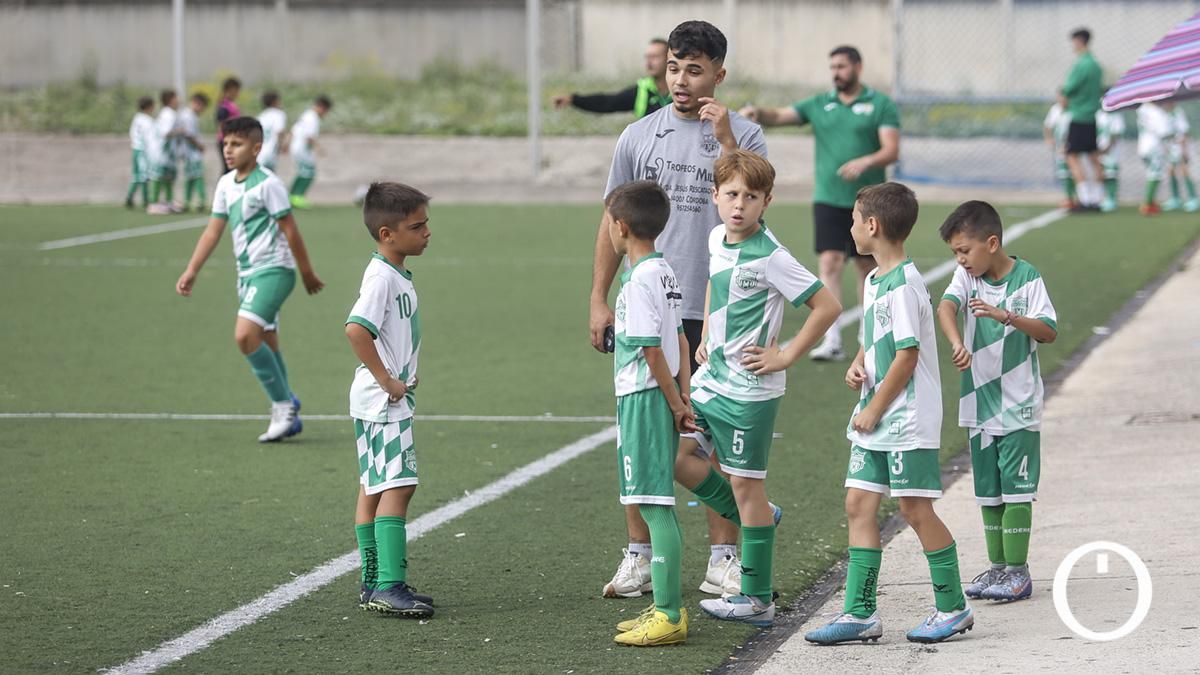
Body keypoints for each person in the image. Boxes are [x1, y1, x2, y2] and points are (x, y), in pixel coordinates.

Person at [591, 19, 767, 601]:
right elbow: (610, 220)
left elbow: (750, 205)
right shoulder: (638, 137)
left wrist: (724, 141)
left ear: (720, 73)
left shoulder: (746, 137)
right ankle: (638, 555)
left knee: (705, 437)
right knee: (641, 436)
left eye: (694, 69)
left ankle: (723, 556)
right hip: (648, 310)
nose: (681, 80)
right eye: (673, 67)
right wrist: (598, 297)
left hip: (715, 310)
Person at [674, 149, 840, 627]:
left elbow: (826, 307)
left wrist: (785, 354)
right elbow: (712, 284)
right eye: (731, 194)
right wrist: (705, 334)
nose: (739, 204)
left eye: (750, 196)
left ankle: (757, 599)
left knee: (746, 485)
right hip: (711, 381)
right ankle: (760, 518)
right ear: (716, 197)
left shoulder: (772, 256)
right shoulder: (715, 236)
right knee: (678, 459)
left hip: (750, 392)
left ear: (766, 201)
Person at [804, 182, 973, 645]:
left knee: (915, 509)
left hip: (903, 419)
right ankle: (860, 614)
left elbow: (907, 355)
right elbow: (876, 339)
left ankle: (953, 606)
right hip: (876, 418)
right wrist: (861, 361)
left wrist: (875, 408)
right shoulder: (875, 279)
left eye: (856, 219)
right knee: (858, 504)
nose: (851, 226)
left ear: (872, 226)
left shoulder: (903, 285)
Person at [740, 45, 900, 362]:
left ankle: (867, 337)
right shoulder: (820, 103)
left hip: (868, 202)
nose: (836, 73)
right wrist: (757, 113)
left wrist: (865, 162)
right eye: (833, 67)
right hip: (828, 199)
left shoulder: (880, 104)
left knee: (867, 267)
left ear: (858, 67)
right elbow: (781, 116)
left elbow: (891, 149)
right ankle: (833, 339)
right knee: (828, 263)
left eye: (841, 66)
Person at [935, 200, 1057, 604]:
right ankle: (999, 568)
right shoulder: (967, 277)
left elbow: (1047, 331)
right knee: (988, 491)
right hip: (978, 401)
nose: (961, 259)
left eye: (964, 250)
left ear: (991, 243)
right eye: (955, 252)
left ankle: (1019, 573)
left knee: (1016, 489)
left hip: (1018, 403)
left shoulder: (1027, 279)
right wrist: (956, 342)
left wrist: (1005, 316)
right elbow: (946, 306)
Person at [174, 117, 324, 442]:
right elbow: (214, 230)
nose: (229, 150)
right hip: (247, 274)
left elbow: (290, 230)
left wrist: (307, 272)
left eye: (237, 144)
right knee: (267, 340)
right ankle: (288, 404)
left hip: (275, 271)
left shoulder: (268, 184)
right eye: (226, 143)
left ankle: (283, 405)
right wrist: (192, 270)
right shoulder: (226, 184)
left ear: (256, 148)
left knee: (244, 336)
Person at [605, 180, 693, 646]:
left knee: (654, 505)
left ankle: (669, 613)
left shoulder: (641, 279)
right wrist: (685, 396)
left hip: (643, 397)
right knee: (652, 500)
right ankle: (662, 606)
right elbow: (680, 339)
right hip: (657, 398)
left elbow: (654, 350)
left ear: (620, 227)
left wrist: (677, 402)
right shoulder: (664, 271)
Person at [346, 182, 437, 618]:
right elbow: (356, 329)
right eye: (416, 227)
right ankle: (389, 584)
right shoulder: (382, 276)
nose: (426, 233)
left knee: (373, 487)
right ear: (387, 234)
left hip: (374, 398)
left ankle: (372, 579)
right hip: (383, 400)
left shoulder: (392, 272)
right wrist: (388, 380)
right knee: (400, 485)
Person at [553, 38, 672, 118]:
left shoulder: (680, 88)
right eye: (647, 57)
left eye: (655, 57)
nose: (649, 62)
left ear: (669, 58)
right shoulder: (642, 90)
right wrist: (574, 100)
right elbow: (607, 103)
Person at [1059, 28, 1105, 213]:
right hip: (1092, 116)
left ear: (1079, 41)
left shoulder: (1081, 64)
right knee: (1094, 158)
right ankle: (1098, 198)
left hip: (1078, 116)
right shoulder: (1096, 65)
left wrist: (1063, 98)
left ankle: (1085, 199)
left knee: (1072, 157)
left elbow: (1068, 88)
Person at [289, 95, 332, 209]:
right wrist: (319, 148)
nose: (325, 114)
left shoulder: (306, 115)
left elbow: (293, 131)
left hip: (297, 148)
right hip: (303, 149)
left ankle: (292, 195)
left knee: (303, 172)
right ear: (322, 107)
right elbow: (309, 137)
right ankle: (297, 197)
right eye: (326, 111)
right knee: (309, 173)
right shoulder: (313, 118)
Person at [148, 89, 183, 213]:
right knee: (159, 176)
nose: (179, 100)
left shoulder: (168, 113)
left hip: (168, 154)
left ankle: (168, 202)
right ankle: (153, 202)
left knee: (168, 177)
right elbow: (165, 133)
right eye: (176, 98)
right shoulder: (169, 114)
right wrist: (180, 131)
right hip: (162, 153)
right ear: (170, 100)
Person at [1137, 101, 1173, 216]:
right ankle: (1147, 203)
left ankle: (1150, 201)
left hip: (1142, 146)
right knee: (1155, 174)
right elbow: (1164, 132)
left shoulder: (1142, 109)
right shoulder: (1157, 112)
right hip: (1154, 147)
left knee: (1151, 173)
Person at [1164, 103, 1200, 212]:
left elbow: (1184, 133)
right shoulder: (1165, 114)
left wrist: (1185, 150)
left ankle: (1193, 198)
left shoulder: (1178, 113)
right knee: (1171, 171)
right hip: (1171, 147)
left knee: (1185, 171)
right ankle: (1175, 198)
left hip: (1180, 146)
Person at [178, 92, 210, 212]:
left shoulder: (190, 115)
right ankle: (201, 201)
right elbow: (189, 135)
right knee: (197, 176)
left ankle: (187, 201)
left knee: (191, 177)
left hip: (190, 153)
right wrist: (199, 146)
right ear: (198, 103)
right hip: (191, 153)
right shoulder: (188, 116)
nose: (202, 110)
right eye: (203, 106)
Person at [125, 96, 155, 209]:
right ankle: (146, 200)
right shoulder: (147, 121)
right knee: (144, 175)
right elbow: (150, 138)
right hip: (143, 150)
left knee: (136, 175)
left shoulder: (137, 118)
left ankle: (129, 197)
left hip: (135, 149)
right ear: (149, 107)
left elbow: (132, 133)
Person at [1094, 107, 1125, 213]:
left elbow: (1115, 134)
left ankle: (1112, 198)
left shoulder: (1116, 116)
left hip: (1111, 151)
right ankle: (1103, 197)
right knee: (1100, 173)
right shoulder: (1098, 114)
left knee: (1111, 174)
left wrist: (1107, 147)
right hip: (1098, 149)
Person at [215, 77, 242, 173]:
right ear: (230, 90)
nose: (237, 93)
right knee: (228, 169)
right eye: (236, 91)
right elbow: (221, 124)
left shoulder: (231, 105)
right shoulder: (224, 106)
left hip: (232, 139)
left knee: (232, 168)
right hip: (226, 141)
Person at [257, 90, 288, 173]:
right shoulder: (279, 114)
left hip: (259, 154)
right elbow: (280, 132)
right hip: (270, 153)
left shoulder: (261, 116)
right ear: (274, 102)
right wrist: (282, 145)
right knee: (269, 179)